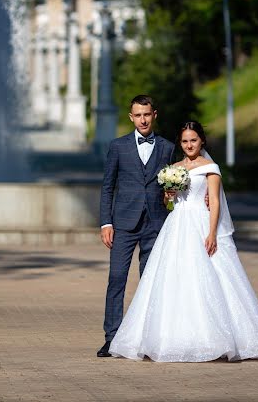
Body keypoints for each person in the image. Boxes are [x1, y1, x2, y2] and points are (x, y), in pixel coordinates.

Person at [109, 120, 258, 362]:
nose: (189, 145)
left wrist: (212, 232)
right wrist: (169, 196)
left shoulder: (210, 168)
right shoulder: (174, 167)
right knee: (174, 279)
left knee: (208, 277)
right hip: (176, 225)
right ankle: (169, 335)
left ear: (201, 141)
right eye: (184, 141)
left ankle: (216, 336)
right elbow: (169, 204)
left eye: (193, 140)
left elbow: (214, 201)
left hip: (200, 225)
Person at [97, 95, 175, 357]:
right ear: (131, 117)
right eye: (137, 115)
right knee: (117, 279)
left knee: (150, 282)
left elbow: (175, 185)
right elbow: (108, 186)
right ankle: (112, 338)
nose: (142, 119)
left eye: (147, 114)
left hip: (155, 223)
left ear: (155, 115)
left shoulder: (167, 147)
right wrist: (106, 221)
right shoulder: (118, 146)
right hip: (123, 224)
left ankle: (147, 338)